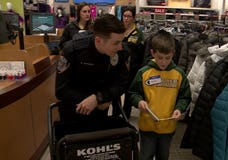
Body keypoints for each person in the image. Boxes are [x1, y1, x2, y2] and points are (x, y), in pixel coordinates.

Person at [55, 14, 129, 126]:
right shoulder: (73, 51)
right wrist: (94, 101)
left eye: (121, 41)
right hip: (73, 111)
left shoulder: (121, 52)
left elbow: (121, 84)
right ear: (98, 40)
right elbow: (61, 90)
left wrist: (99, 98)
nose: (120, 47)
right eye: (116, 43)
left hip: (101, 111)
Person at [128, 30, 191, 160]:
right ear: (152, 53)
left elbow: (184, 97)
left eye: (167, 58)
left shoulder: (179, 75)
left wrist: (179, 108)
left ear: (173, 54)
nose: (163, 62)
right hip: (147, 125)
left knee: (163, 156)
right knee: (146, 155)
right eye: (160, 58)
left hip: (168, 127)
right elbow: (133, 93)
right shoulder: (144, 72)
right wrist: (139, 101)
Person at [112, 6, 144, 118]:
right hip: (117, 66)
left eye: (129, 16)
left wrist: (118, 44)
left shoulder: (137, 33)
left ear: (133, 18)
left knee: (128, 93)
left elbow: (130, 47)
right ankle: (116, 114)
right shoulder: (119, 30)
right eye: (124, 16)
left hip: (132, 68)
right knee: (115, 91)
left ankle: (126, 115)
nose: (126, 18)